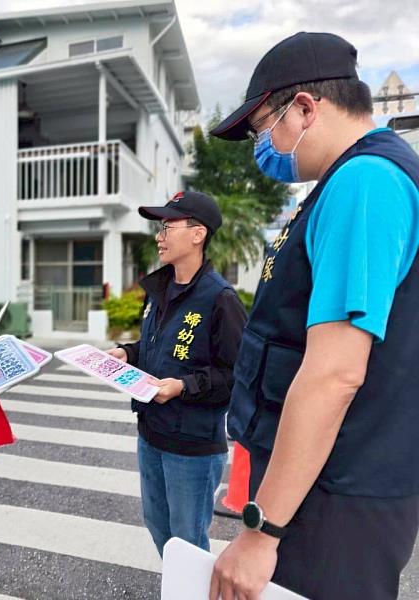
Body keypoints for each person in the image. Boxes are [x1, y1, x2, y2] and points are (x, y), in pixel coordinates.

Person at [208, 32, 419, 600]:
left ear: (304, 107)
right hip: (334, 482)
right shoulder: (350, 182)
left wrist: (262, 530)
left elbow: (334, 373)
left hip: (335, 496)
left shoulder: (365, 182)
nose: (264, 148)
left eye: (263, 129)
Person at [107, 191, 246, 558]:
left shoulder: (220, 299)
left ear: (198, 234)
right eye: (160, 227)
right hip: (151, 433)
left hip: (192, 447)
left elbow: (236, 375)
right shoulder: (159, 290)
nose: (159, 236)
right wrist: (127, 352)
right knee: (158, 527)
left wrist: (184, 387)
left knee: (187, 544)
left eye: (168, 226)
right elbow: (157, 346)